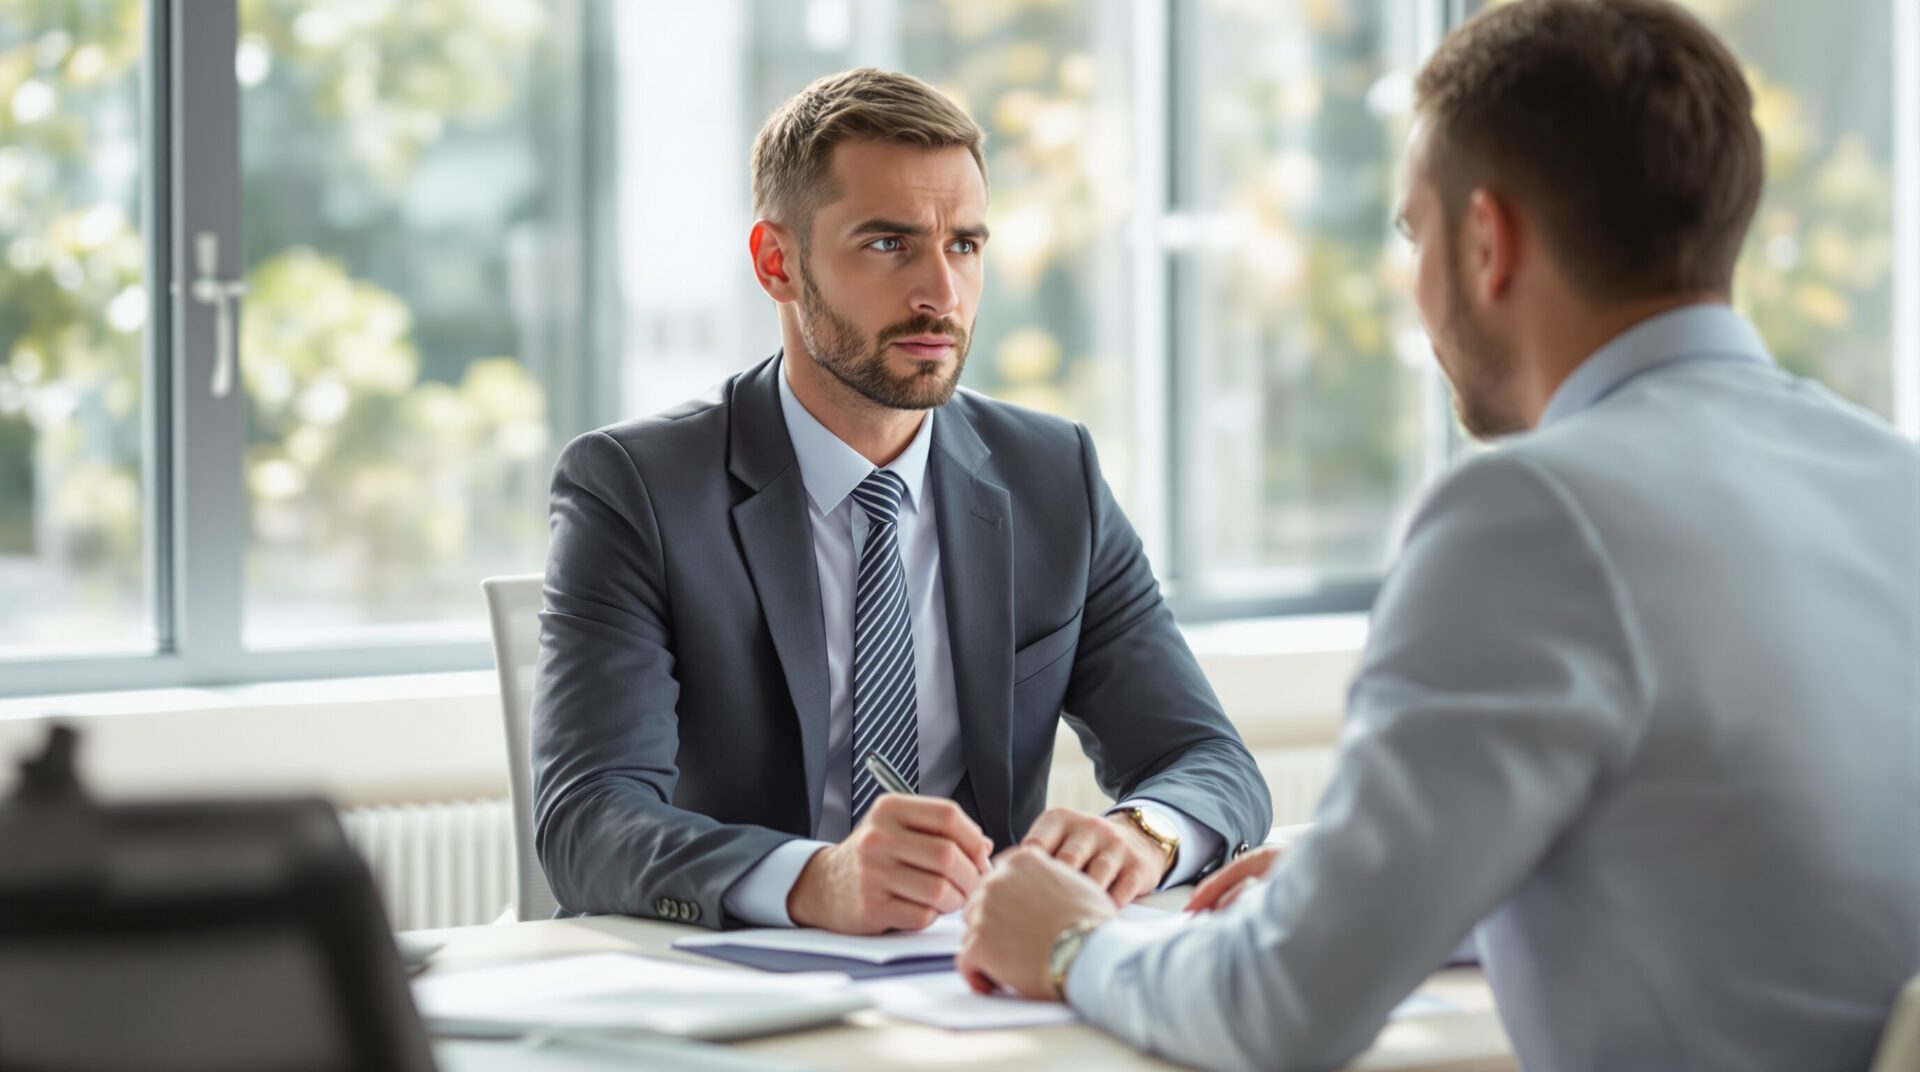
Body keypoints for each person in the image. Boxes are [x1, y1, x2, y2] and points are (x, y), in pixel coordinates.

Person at [956, 2, 1920, 1068]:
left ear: (1486, 240)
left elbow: (1277, 1013)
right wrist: (1393, 894)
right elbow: (1763, 879)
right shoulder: (1894, 481)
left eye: (1414, 232)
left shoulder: (1531, 518)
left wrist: (1070, 941)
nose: (1413, 284)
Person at [530, 68, 1272, 935]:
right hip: (737, 984)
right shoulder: (636, 489)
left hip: (977, 981)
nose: (941, 294)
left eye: (964, 244)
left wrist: (1144, 835)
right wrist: (817, 881)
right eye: (889, 244)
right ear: (779, 263)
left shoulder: (1052, 474)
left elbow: (1208, 760)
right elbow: (587, 821)